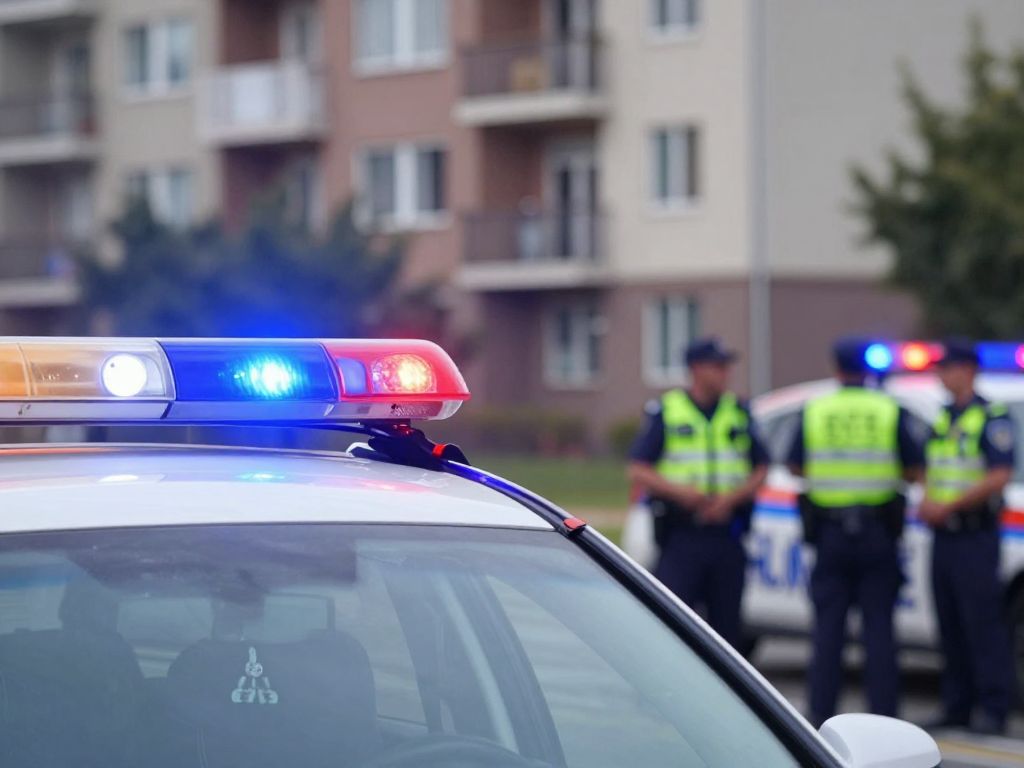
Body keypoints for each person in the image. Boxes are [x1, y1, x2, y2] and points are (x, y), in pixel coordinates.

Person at [785, 338, 924, 727]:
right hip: (877, 532)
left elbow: (795, 465)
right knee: (879, 628)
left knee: (828, 629)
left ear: (835, 367)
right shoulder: (887, 409)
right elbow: (914, 468)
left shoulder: (816, 409)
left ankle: (820, 714)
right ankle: (886, 716)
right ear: (867, 370)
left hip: (830, 532)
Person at [628, 337, 769, 649]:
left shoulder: (739, 411)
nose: (725, 374)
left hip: (726, 534)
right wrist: (682, 494)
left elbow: (761, 468)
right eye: (717, 367)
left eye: (726, 367)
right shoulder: (667, 411)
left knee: (727, 632)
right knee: (672, 627)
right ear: (695, 369)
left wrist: (729, 500)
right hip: (682, 535)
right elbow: (638, 468)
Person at [919, 339, 1015, 736]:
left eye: (949, 367)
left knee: (983, 625)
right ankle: (956, 706)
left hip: (975, 535)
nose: (943, 375)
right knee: (951, 623)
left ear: (969, 371)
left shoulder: (991, 416)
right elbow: (931, 467)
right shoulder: (943, 417)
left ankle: (993, 709)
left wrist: (950, 505)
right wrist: (926, 500)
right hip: (944, 536)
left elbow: (999, 475)